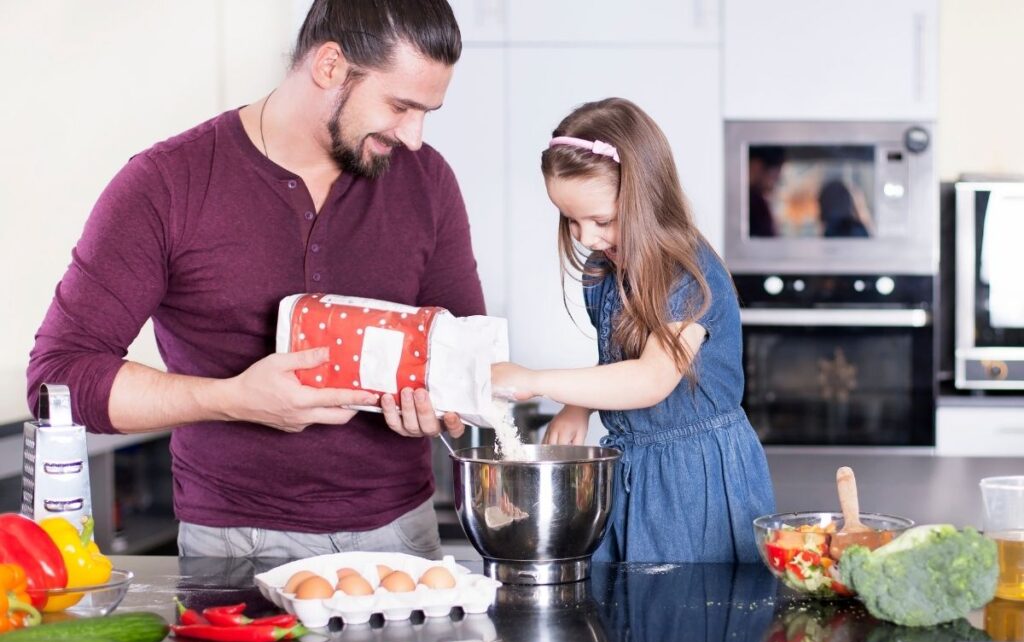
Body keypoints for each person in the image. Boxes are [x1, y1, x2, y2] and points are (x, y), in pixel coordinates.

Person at [26, 0, 484, 559]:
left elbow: (462, 349)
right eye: (400, 106)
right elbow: (60, 378)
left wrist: (443, 401)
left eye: (426, 114)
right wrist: (232, 399)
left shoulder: (427, 180)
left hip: (401, 536)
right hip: (233, 546)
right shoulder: (167, 183)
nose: (413, 137)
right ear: (330, 67)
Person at [491, 98, 775, 563]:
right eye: (571, 219)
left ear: (647, 197)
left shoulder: (686, 272)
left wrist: (533, 381)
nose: (584, 237)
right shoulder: (605, 271)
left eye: (601, 220)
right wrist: (577, 404)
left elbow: (649, 379)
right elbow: (619, 366)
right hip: (633, 470)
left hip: (696, 480)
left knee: (686, 617)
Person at [748, 145, 786, 237]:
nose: (777, 179)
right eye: (776, 171)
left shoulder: (756, 201)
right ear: (756, 166)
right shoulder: (756, 203)